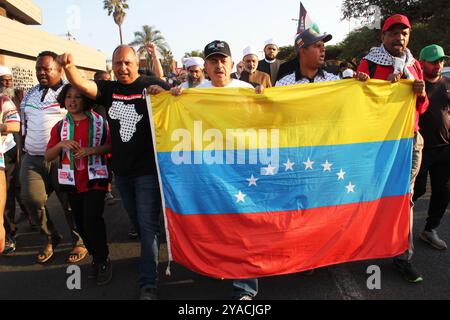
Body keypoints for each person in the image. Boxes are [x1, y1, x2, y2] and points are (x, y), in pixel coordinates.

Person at [57, 45, 170, 300]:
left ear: (136, 62)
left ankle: (148, 284)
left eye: (127, 63)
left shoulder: (150, 83)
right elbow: (84, 85)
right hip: (122, 172)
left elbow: (175, 98)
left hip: (148, 172)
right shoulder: (109, 89)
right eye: (117, 63)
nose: (122, 68)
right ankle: (146, 253)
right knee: (137, 220)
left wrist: (162, 92)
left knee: (148, 225)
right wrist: (68, 67)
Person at [152, 40, 262, 300]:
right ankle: (217, 266)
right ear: (206, 67)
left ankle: (245, 287)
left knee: (244, 225)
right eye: (213, 61)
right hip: (209, 171)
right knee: (216, 223)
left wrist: (263, 99)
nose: (219, 66)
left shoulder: (246, 89)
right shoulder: (193, 93)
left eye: (223, 60)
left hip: (242, 170)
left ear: (232, 64)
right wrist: (169, 97)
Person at [357, 14, 429, 283]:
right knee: (368, 195)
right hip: (375, 143)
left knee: (404, 198)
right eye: (393, 33)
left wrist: (420, 94)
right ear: (382, 36)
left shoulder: (415, 65)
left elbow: (422, 108)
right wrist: (361, 83)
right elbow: (358, 101)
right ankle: (359, 246)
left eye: (404, 33)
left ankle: (403, 255)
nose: (399, 38)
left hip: (409, 141)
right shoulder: (369, 62)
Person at [20, 51, 86, 264]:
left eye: (46, 69)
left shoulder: (69, 93)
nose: (41, 72)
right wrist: (22, 154)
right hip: (33, 158)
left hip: (63, 158)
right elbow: (24, 126)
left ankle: (79, 240)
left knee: (69, 202)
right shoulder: (29, 94)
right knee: (32, 199)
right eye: (38, 68)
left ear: (59, 70)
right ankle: (51, 237)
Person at [46, 84, 113, 285]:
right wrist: (60, 145)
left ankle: (103, 260)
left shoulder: (100, 122)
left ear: (86, 100)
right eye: (68, 97)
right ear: (63, 101)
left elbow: (111, 146)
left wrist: (93, 150)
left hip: (96, 178)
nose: (73, 101)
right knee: (81, 223)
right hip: (71, 181)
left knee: (93, 219)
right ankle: (95, 255)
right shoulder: (60, 126)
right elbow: (48, 156)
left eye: (77, 97)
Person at [413, 44, 450, 250]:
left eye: (441, 61)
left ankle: (430, 229)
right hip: (421, 150)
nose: (438, 65)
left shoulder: (447, 83)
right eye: (434, 61)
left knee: (443, 191)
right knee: (415, 190)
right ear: (421, 63)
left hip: (445, 149)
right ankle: (397, 229)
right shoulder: (413, 85)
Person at [1, 93, 20, 254]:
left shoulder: (3, 100)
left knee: (6, 195)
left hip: (5, 153)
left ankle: (8, 234)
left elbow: (15, 126)